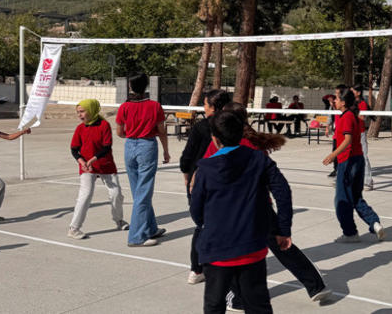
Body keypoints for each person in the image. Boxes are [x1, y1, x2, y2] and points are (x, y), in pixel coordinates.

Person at [221, 103, 332, 309]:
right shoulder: (253, 142)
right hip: (261, 207)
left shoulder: (233, 146)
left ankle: (237, 299)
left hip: (241, 210)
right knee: (283, 247)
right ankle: (316, 285)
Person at [190, 111, 293, 314]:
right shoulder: (258, 159)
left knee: (214, 305)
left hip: (217, 249)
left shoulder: (206, 168)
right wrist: (283, 229)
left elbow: (196, 209)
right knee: (258, 305)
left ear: (215, 139)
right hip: (252, 246)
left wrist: (206, 225)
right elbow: (283, 192)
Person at [180, 89, 231, 284]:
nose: (204, 107)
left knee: (202, 226)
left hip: (201, 182)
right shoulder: (232, 125)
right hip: (220, 182)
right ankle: (214, 266)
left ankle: (197, 269)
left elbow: (187, 156)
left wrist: (187, 176)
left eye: (205, 104)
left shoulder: (203, 126)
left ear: (213, 107)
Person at [323, 86, 385, 243]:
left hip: (348, 162)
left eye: (336, 98)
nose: (334, 101)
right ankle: (374, 223)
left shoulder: (347, 117)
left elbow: (348, 140)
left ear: (343, 102)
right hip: (357, 161)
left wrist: (332, 155)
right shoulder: (350, 115)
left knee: (342, 200)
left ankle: (350, 233)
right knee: (356, 197)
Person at [115, 73, 170, 247]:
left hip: (130, 146)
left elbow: (119, 132)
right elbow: (161, 131)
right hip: (147, 146)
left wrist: (132, 135)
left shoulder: (125, 106)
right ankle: (137, 237)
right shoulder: (154, 106)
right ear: (146, 86)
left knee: (139, 191)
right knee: (143, 192)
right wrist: (166, 151)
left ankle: (150, 228)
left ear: (131, 87)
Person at [68, 99, 127, 239]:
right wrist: (82, 161)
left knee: (116, 193)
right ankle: (74, 228)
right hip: (87, 167)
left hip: (105, 164)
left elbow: (107, 147)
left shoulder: (104, 125)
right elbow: (74, 149)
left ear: (91, 111)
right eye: (78, 112)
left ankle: (119, 220)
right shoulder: (80, 128)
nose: (79, 115)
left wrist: (93, 159)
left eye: (82, 111)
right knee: (85, 195)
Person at [351, 86, 374, 190]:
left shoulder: (362, 103)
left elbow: (362, 117)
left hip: (360, 133)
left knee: (363, 157)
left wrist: (354, 111)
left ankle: (368, 181)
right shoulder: (350, 103)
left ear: (358, 93)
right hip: (350, 133)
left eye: (353, 91)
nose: (351, 93)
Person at [323, 95, 338, 178]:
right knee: (334, 151)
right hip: (336, 133)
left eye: (332, 101)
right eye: (329, 101)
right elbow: (329, 118)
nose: (331, 103)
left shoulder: (340, 108)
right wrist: (327, 128)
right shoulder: (331, 108)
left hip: (343, 133)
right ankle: (336, 169)